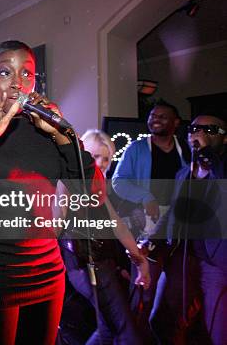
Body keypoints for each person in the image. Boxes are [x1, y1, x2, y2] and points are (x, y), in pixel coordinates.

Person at [0, 40, 98, 344]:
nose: (17, 82)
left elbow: (93, 193)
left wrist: (62, 135)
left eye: (27, 74)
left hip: (47, 272)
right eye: (5, 72)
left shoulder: (47, 132)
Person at [60, 129, 151, 344]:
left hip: (102, 263)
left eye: (106, 158)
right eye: (95, 156)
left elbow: (117, 226)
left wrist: (140, 260)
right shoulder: (67, 182)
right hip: (84, 264)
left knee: (108, 329)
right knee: (124, 329)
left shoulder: (98, 187)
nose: (101, 163)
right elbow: (55, 225)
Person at [111, 101, 188, 340]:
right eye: (153, 115)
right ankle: (132, 337)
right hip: (147, 228)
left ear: (176, 123)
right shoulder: (136, 149)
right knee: (144, 291)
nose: (155, 119)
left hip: (177, 232)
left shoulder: (185, 149)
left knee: (175, 296)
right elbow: (118, 181)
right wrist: (145, 196)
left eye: (163, 116)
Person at [149, 113, 227, 344]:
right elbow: (174, 211)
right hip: (181, 260)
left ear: (225, 139)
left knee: (217, 331)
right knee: (160, 321)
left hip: (215, 264)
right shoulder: (183, 173)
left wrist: (212, 160)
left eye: (209, 130)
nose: (198, 133)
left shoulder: (222, 172)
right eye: (194, 129)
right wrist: (152, 238)